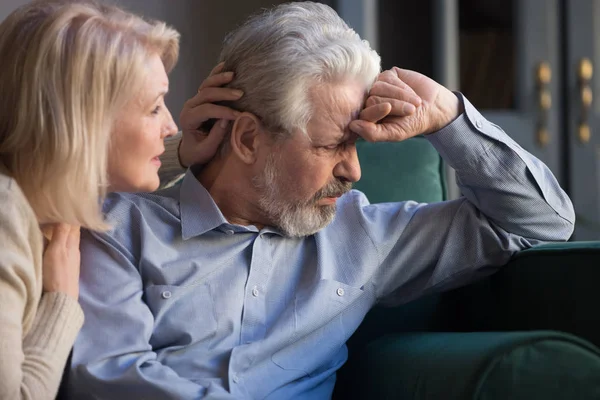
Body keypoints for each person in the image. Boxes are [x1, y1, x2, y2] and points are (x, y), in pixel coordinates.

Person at [68, 2, 575, 399]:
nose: (353, 170)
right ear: (246, 139)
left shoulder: (366, 237)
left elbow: (541, 224)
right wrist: (178, 154)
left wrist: (451, 119)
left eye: (355, 145)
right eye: (333, 144)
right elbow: (112, 378)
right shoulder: (120, 227)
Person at [0, 1, 237, 399]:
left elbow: (81, 170)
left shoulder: (36, 195)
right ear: (88, 123)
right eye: (154, 107)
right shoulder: (6, 223)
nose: (171, 125)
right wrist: (60, 301)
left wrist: (182, 151)